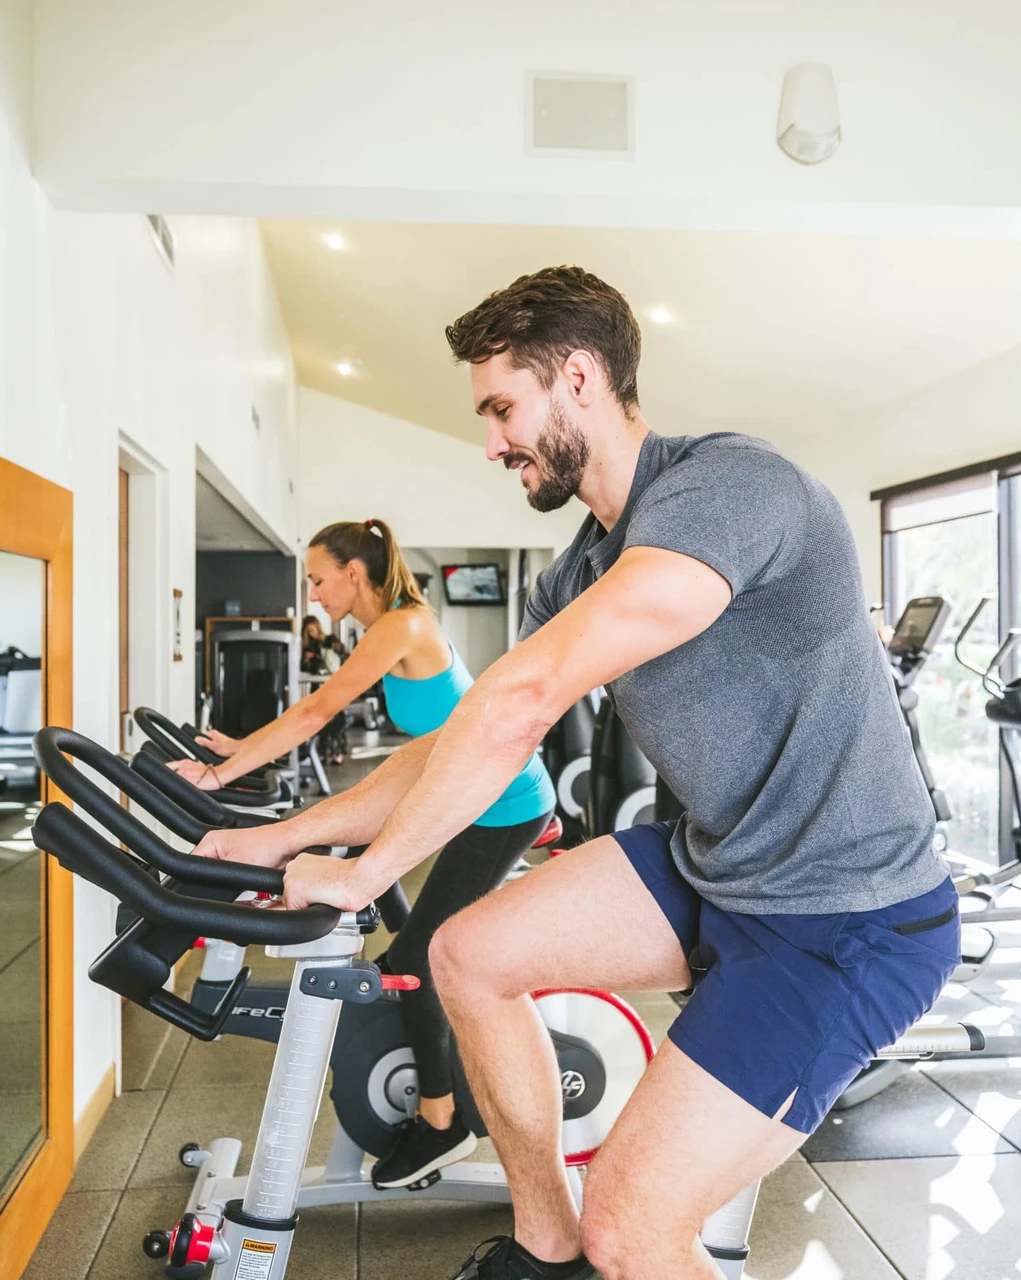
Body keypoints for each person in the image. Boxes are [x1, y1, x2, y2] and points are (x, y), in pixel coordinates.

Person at [192, 267, 957, 1280]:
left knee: (632, 1233)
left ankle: (593, 1243)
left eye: (502, 409)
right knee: (465, 954)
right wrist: (283, 836)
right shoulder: (576, 572)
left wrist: (368, 872)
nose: (492, 442)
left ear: (582, 379)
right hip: (721, 864)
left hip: (846, 917)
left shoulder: (732, 488)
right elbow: (462, 734)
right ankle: (545, 1247)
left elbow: (526, 694)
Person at [175, 518, 557, 1189]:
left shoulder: (401, 626)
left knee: (420, 957)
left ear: (354, 573)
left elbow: (317, 710)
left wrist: (220, 775)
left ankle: (441, 1122)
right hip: (457, 788)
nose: (313, 594)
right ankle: (407, 975)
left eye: (318, 579)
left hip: (502, 802)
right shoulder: (394, 623)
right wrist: (237, 751)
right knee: (361, 856)